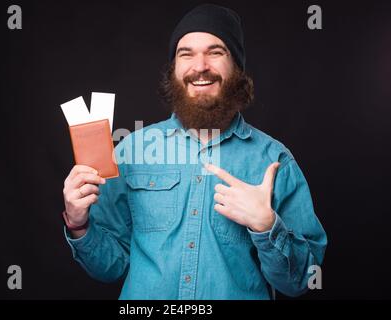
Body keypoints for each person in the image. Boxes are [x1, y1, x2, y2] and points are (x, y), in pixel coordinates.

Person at [61, 4, 327, 299]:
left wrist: (266, 226)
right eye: (185, 53)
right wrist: (78, 224)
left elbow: (301, 280)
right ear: (174, 69)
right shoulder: (130, 152)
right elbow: (110, 267)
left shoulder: (274, 161)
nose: (199, 66)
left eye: (216, 52)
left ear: (236, 67)